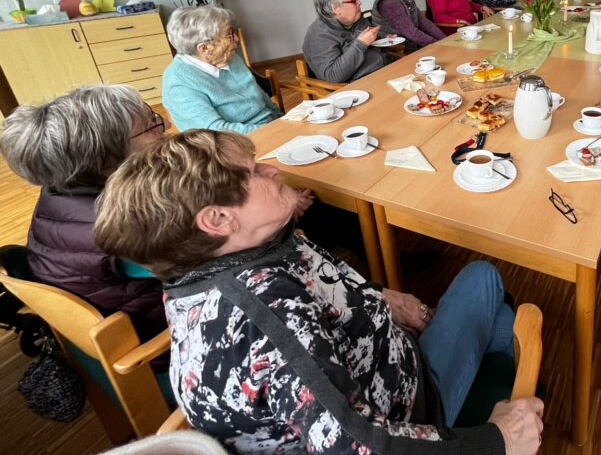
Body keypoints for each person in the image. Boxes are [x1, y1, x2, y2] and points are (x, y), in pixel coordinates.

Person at [92, 130, 544, 455]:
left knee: (495, 308)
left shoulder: (243, 249)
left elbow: (320, 287)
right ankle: (519, 363)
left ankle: (508, 347)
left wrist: (379, 297)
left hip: (385, 365)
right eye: (253, 172)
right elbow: (360, 445)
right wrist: (498, 437)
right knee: (485, 280)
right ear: (217, 220)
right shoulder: (263, 314)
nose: (271, 169)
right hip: (411, 410)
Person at [0, 85, 166, 339]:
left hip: (110, 316)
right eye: (151, 124)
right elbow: (205, 266)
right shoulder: (125, 228)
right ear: (106, 162)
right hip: (151, 338)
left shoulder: (60, 192)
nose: (165, 123)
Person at [163, 5, 282, 134]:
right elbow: (216, 133)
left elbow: (260, 96)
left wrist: (283, 118)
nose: (236, 38)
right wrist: (275, 130)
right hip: (237, 145)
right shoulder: (179, 84)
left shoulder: (229, 57)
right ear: (205, 48)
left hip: (271, 129)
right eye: (229, 34)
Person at [302, 0, 387, 83]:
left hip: (382, 72)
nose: (359, 2)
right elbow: (333, 75)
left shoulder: (357, 20)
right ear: (335, 8)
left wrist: (384, 38)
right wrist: (361, 43)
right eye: (353, 0)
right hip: (357, 88)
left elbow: (374, 46)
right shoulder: (318, 35)